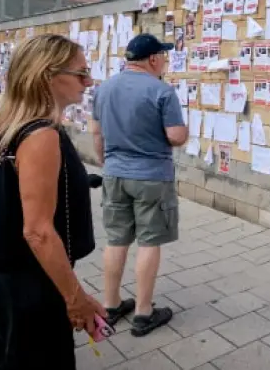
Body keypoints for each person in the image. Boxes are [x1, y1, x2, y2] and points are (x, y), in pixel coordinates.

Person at [0, 34, 104, 369]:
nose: (88, 81)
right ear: (48, 75)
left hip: (4, 275)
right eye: (80, 72)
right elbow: (38, 231)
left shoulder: (16, 126)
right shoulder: (41, 135)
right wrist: (75, 299)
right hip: (25, 281)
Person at [91, 33, 187, 337]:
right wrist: (183, 132)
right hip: (151, 177)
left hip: (114, 173)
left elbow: (96, 133)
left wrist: (107, 164)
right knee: (149, 240)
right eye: (165, 57)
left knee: (116, 239)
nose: (166, 63)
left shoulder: (104, 89)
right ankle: (144, 312)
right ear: (154, 59)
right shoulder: (162, 91)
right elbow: (175, 136)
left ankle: (111, 304)